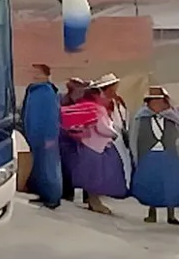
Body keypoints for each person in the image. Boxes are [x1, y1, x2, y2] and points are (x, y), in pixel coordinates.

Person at [61, 83, 129, 214]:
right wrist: (115, 134)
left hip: (87, 145)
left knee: (90, 175)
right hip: (98, 148)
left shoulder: (85, 108)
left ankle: (93, 201)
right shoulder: (97, 109)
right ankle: (94, 202)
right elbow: (102, 127)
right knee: (96, 177)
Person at [131, 86, 179, 224]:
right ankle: (152, 212)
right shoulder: (141, 118)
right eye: (153, 102)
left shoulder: (173, 118)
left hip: (169, 154)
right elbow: (134, 137)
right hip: (149, 154)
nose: (157, 105)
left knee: (170, 184)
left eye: (159, 102)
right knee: (152, 183)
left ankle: (171, 214)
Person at [22, 63, 62, 208]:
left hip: (46, 136)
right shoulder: (33, 91)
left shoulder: (47, 92)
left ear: (46, 75)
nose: (34, 76)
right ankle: (42, 193)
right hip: (33, 135)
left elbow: (52, 117)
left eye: (38, 73)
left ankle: (53, 197)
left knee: (49, 166)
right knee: (38, 166)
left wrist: (50, 137)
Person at [59, 78, 89, 203]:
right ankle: (68, 194)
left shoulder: (80, 102)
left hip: (80, 139)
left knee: (84, 167)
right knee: (68, 167)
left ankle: (86, 196)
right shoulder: (65, 102)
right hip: (67, 140)